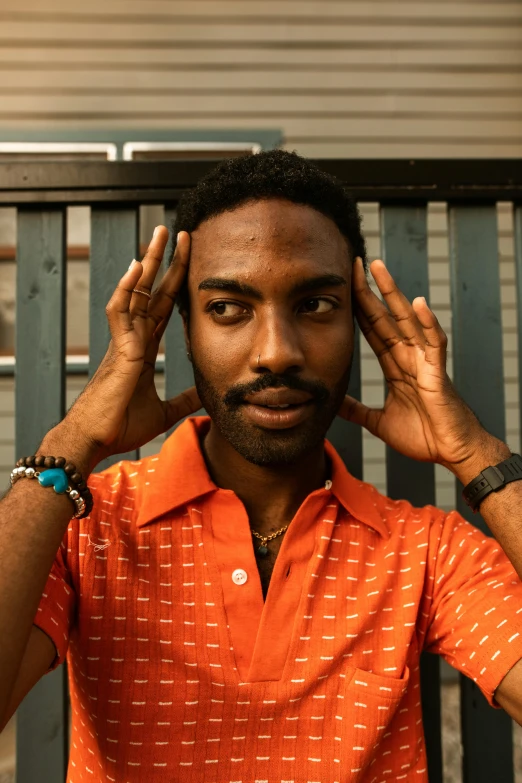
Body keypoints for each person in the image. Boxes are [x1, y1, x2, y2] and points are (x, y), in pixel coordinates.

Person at [1, 150, 522, 782]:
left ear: (357, 325)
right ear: (183, 329)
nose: (277, 352)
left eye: (315, 305)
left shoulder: (424, 551)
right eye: (227, 307)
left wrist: (477, 455)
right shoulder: (87, 526)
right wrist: (75, 440)